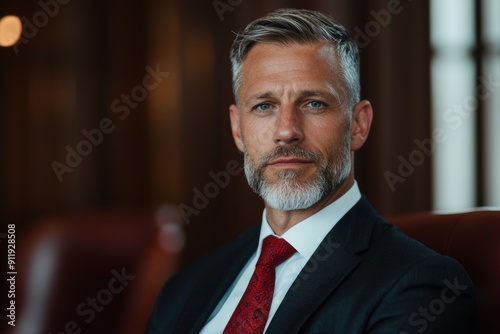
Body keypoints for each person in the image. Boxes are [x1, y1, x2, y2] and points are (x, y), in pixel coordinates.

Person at [146, 8, 476, 334]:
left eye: (314, 103)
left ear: (359, 125)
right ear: (237, 128)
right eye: (264, 106)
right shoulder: (186, 287)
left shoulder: (422, 286)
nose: (287, 131)